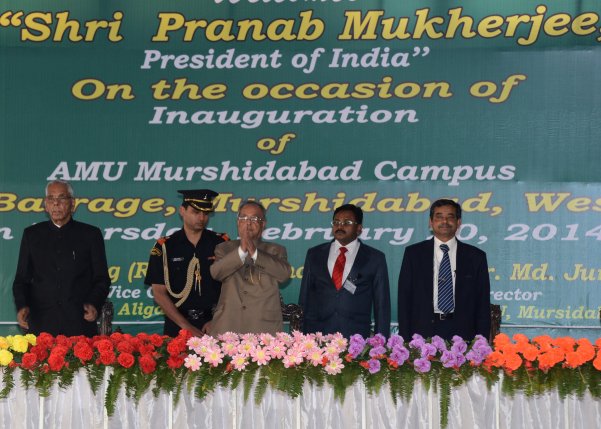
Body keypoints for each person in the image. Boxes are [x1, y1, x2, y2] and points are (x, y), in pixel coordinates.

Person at [12, 180, 110, 337]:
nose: (56, 204)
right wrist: (22, 305)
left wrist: (93, 303)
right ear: (46, 204)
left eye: (62, 198)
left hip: (79, 323)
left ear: (73, 203)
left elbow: (102, 278)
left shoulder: (90, 234)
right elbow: (21, 280)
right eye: (51, 198)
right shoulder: (32, 234)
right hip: (41, 324)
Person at [397, 199, 491, 341]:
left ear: (458, 222)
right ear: (431, 222)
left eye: (450, 217)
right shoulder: (413, 254)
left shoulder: (476, 257)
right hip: (422, 331)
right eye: (439, 217)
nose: (445, 221)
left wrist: (481, 342)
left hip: (463, 333)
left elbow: (482, 303)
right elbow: (404, 299)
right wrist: (405, 339)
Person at [299, 204, 391, 338]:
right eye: (336, 222)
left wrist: (380, 343)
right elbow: (304, 299)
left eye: (347, 222)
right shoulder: (315, 254)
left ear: (359, 228)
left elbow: (382, 306)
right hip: (318, 337)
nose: (340, 226)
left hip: (356, 338)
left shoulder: (375, 258)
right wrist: (302, 338)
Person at [145, 189, 228, 337]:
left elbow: (234, 287)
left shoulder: (221, 244)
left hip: (215, 324)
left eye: (206, 213)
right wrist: (186, 327)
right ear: (182, 211)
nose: (202, 217)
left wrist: (217, 319)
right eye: (196, 212)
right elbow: (159, 293)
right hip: (177, 325)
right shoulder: (165, 246)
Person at [209, 201, 291, 335]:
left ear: (263, 224)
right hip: (228, 325)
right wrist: (241, 250)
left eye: (254, 219)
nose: (248, 223)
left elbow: (284, 274)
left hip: (263, 326)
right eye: (244, 218)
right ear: (237, 222)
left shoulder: (275, 250)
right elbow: (216, 273)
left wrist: (254, 252)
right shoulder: (224, 248)